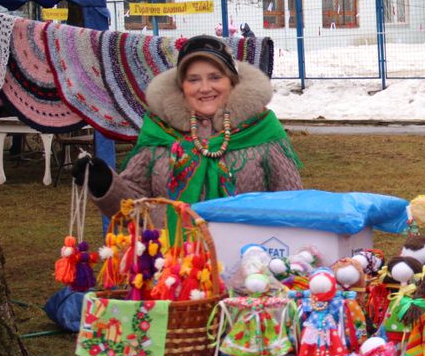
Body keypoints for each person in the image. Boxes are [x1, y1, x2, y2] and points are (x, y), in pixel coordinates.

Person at [73, 35, 302, 219]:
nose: (205, 88)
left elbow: (293, 204)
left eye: (215, 77)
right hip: (171, 257)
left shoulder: (261, 129)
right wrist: (106, 185)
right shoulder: (160, 132)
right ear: (181, 86)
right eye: (193, 79)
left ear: (232, 82)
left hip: (247, 258)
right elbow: (134, 209)